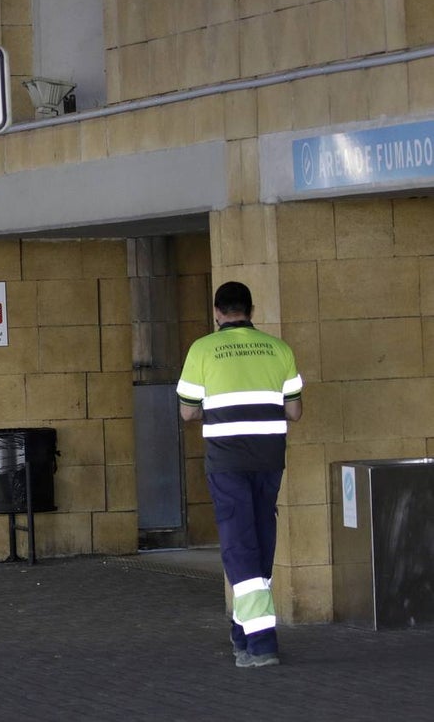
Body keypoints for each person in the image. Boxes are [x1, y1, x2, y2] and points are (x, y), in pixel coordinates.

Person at [176, 281, 303, 668]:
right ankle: (241, 632)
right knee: (260, 538)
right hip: (269, 458)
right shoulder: (279, 349)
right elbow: (295, 412)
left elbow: (187, 412)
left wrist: (215, 409)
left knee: (238, 542)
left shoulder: (202, 349)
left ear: (217, 312)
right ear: (251, 309)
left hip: (227, 460)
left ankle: (261, 643)